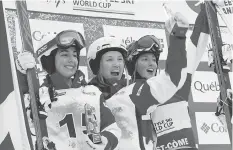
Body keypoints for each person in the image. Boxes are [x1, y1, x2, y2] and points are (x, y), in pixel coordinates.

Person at [105, 5, 211, 149]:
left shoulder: (176, 85)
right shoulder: (127, 96)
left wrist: (207, 11)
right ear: (132, 65)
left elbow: (195, 48)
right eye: (144, 59)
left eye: (154, 60)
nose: (152, 64)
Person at [16, 30, 121, 150]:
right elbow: (23, 125)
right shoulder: (40, 97)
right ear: (49, 60)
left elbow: (112, 128)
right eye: (65, 54)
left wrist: (107, 140)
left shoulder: (93, 93)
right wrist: (21, 75)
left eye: (75, 55)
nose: (72, 60)